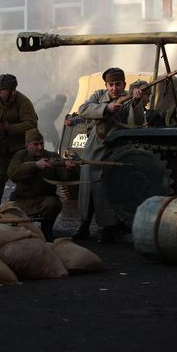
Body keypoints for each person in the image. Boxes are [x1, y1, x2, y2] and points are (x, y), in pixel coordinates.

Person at [75, 67, 144, 243]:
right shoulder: (98, 95)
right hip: (93, 148)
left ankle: (107, 228)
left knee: (106, 190)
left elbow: (135, 123)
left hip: (114, 150)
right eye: (111, 84)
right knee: (87, 189)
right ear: (105, 85)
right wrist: (106, 108)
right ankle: (83, 226)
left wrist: (136, 103)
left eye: (118, 84)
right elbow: (83, 109)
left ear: (124, 84)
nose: (114, 88)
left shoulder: (129, 100)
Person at [0, 74, 38, 213]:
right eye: (10, 90)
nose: (13, 92)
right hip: (1, 148)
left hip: (20, 149)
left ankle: (26, 212)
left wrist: (8, 128)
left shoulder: (23, 101)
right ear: (0, 91)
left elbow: (31, 123)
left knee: (24, 181)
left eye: (15, 89)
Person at [7, 128, 78, 241]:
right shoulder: (20, 156)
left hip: (45, 200)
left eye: (41, 144)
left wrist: (70, 169)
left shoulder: (52, 156)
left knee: (53, 204)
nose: (40, 147)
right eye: (36, 144)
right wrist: (35, 165)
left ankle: (47, 230)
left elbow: (64, 177)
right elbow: (12, 173)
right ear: (27, 145)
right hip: (22, 200)